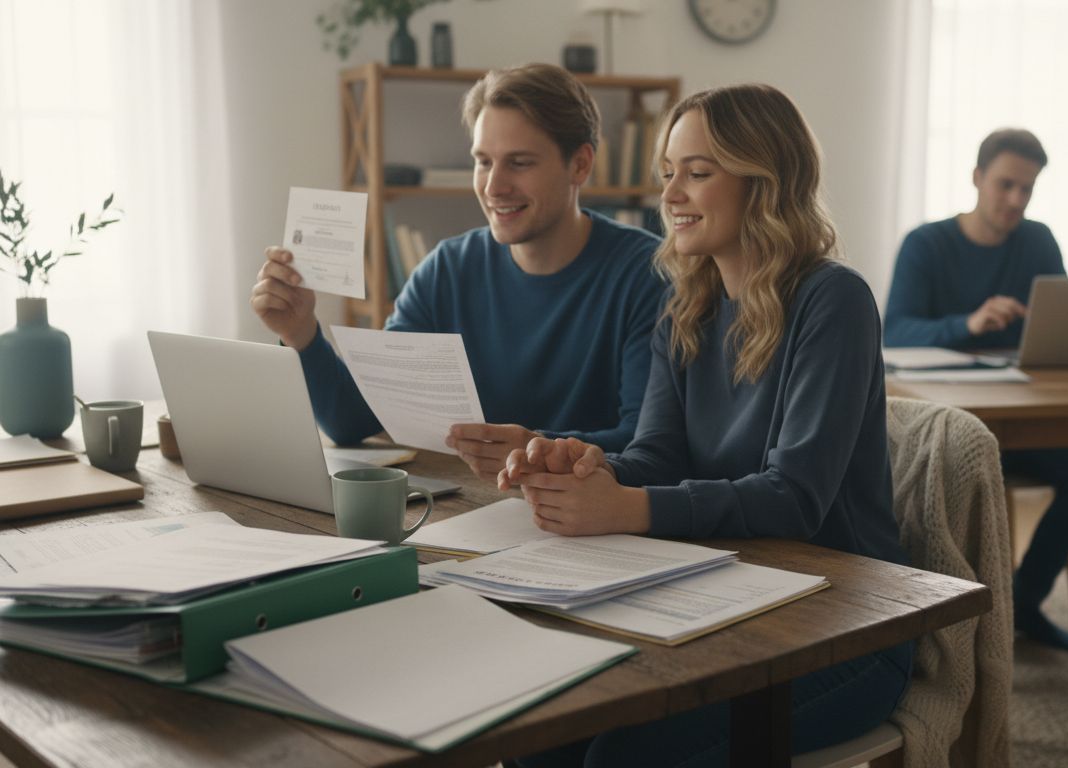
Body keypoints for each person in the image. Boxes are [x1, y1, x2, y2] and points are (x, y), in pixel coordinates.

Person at [498, 84, 912, 767]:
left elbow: (795, 498)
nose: (670, 195)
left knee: (620, 759)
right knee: (541, 727)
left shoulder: (833, 301)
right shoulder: (686, 308)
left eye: (697, 172)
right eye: (668, 173)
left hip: (848, 626)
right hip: (728, 597)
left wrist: (628, 507)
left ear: (764, 182)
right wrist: (585, 465)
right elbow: (657, 458)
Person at [250, 64, 663, 480]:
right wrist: (301, 333)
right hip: (471, 503)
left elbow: (647, 442)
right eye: (483, 162)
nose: (494, 186)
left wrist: (537, 447)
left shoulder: (646, 274)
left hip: (591, 509)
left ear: (580, 165)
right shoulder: (446, 270)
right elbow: (353, 420)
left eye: (519, 163)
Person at [883, 128, 1068, 652]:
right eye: (1005, 185)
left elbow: (1066, 323)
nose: (1015, 200)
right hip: (947, 426)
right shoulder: (926, 243)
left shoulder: (1038, 241)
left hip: (1022, 419)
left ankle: (1021, 603)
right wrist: (968, 323)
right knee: (950, 484)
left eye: (1026, 189)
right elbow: (894, 331)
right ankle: (948, 622)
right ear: (977, 178)